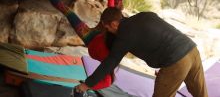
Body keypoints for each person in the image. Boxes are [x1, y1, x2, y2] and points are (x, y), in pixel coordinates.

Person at [44, 0, 136, 97]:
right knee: (68, 12)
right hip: (93, 41)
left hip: (92, 38)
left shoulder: (112, 24)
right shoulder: (117, 34)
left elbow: (113, 2)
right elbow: (113, 3)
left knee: (68, 12)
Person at [76, 8, 208, 97]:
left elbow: (109, 63)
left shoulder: (124, 36)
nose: (108, 31)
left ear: (115, 24)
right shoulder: (144, 15)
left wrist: (86, 85)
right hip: (192, 50)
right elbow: (160, 36)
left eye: (107, 28)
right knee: (201, 94)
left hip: (176, 61)